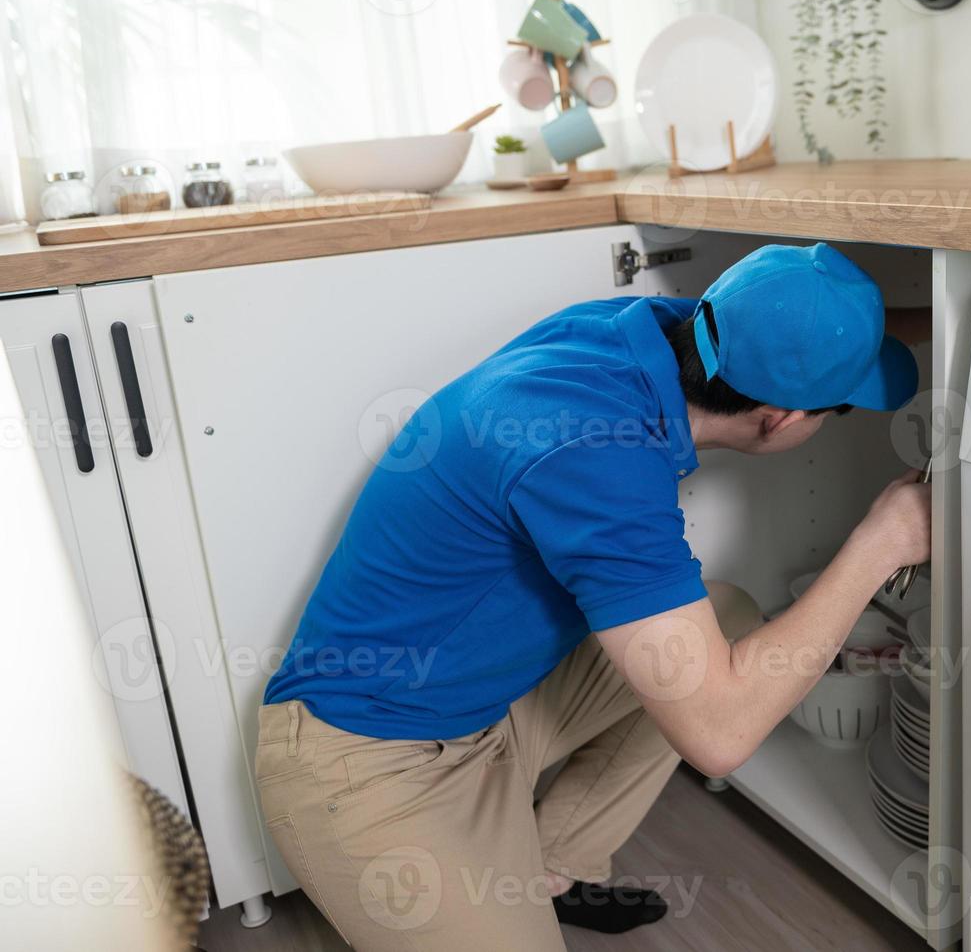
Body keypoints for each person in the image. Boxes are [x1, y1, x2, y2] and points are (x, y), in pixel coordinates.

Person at [254, 242, 932, 951]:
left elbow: (788, 327)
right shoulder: (595, 456)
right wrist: (879, 545)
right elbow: (720, 738)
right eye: (840, 408)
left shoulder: (639, 333)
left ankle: (551, 870)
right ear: (781, 419)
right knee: (717, 695)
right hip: (367, 759)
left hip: (489, 708)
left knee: (725, 614)